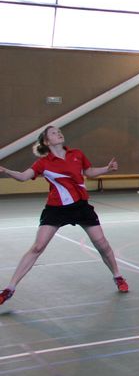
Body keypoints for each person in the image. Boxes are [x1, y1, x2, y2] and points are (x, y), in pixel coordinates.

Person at [0, 126, 128, 306]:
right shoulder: (43, 163)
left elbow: (88, 172)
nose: (58, 133)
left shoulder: (77, 154)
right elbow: (23, 177)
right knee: (37, 247)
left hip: (80, 206)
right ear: (46, 141)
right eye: (53, 133)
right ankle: (9, 289)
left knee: (102, 244)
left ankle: (117, 276)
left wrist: (107, 169)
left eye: (59, 131)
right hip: (56, 208)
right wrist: (6, 171)